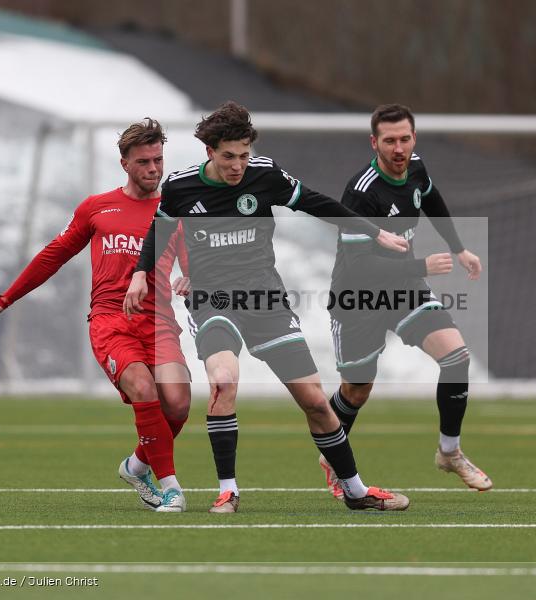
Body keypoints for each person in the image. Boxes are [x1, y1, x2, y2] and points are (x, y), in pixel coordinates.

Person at [124, 101, 411, 513]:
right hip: (213, 299)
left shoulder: (266, 175)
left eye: (243, 155)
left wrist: (374, 232)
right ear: (210, 152)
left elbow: (316, 202)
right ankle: (228, 490)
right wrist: (140, 272)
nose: (237, 165)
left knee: (313, 399)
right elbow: (160, 228)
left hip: (265, 298)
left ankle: (356, 490)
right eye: (228, 156)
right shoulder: (183, 186)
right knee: (224, 380)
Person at [0, 119, 192, 512]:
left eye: (158, 160)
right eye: (144, 161)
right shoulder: (97, 208)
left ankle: (137, 465)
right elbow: (53, 255)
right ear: (124, 163)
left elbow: (196, 260)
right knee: (144, 389)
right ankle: (172, 487)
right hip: (111, 321)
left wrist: (193, 278)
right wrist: (6, 299)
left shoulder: (174, 209)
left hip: (159, 323)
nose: (154, 169)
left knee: (177, 405)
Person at [321, 103, 492, 499]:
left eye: (404, 139)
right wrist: (421, 265)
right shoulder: (360, 192)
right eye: (389, 141)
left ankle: (449, 452)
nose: (398, 148)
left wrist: (459, 249)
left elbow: (431, 199)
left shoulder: (416, 167)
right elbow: (360, 268)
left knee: (456, 357)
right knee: (357, 389)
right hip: (358, 297)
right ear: (374, 143)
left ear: (414, 138)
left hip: (404, 288)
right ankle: (332, 455)